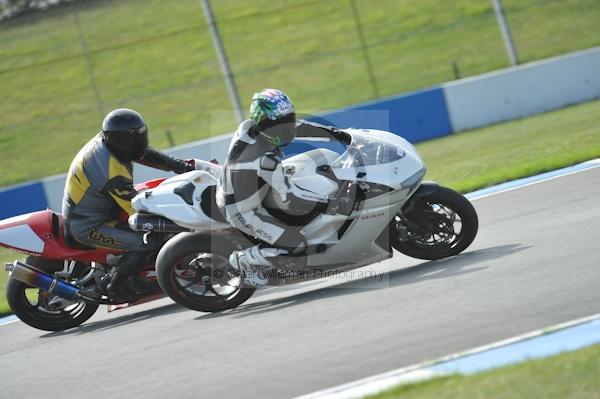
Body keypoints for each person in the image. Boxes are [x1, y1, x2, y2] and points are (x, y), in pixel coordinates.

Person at [62, 108, 196, 299]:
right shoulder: (110, 171)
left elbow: (143, 153)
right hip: (89, 225)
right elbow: (136, 210)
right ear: (123, 140)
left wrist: (181, 166)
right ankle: (116, 287)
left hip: (102, 208)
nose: (140, 142)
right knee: (147, 241)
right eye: (135, 139)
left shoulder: (111, 143)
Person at [216, 89, 333, 286]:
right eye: (278, 125)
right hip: (243, 211)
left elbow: (300, 127)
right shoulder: (265, 160)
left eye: (287, 120)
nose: (286, 129)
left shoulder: (248, 127)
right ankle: (244, 259)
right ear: (263, 123)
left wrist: (340, 135)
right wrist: (330, 203)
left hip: (241, 189)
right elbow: (291, 198)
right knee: (297, 244)